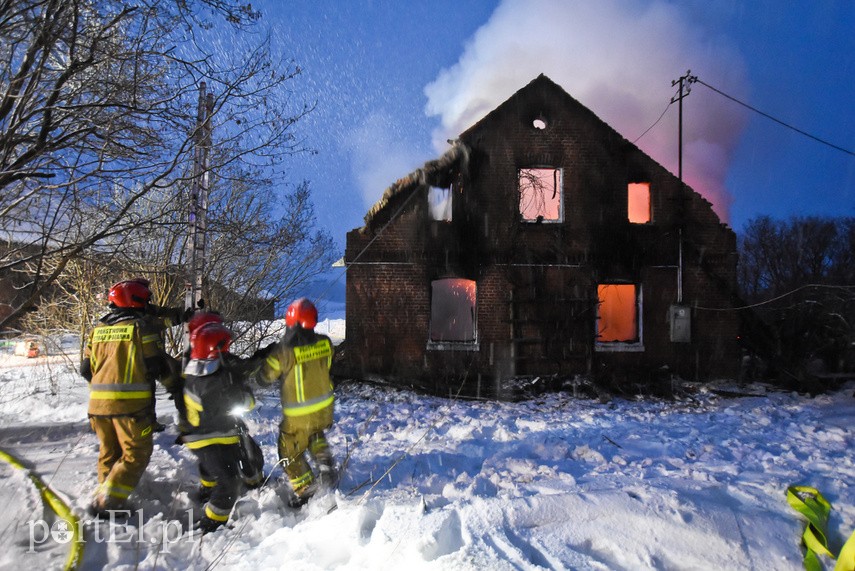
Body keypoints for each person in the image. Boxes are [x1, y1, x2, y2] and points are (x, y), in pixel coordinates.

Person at [80, 279, 176, 517]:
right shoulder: (141, 328)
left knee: (109, 453)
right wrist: (180, 384)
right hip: (131, 409)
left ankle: (106, 492)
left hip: (98, 408)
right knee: (136, 453)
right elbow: (156, 365)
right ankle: (108, 502)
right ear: (137, 301)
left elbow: (85, 369)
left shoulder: (97, 330)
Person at [182, 322, 263, 532]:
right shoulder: (209, 382)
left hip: (216, 432)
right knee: (229, 481)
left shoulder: (198, 371)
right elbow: (237, 401)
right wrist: (244, 398)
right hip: (210, 436)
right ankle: (212, 523)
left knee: (237, 455)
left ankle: (213, 489)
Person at [257, 298, 337, 507]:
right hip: (324, 409)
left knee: (288, 452)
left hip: (298, 416)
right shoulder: (325, 343)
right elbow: (327, 366)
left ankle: (305, 489)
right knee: (314, 434)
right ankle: (324, 461)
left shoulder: (283, 351)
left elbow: (265, 377)